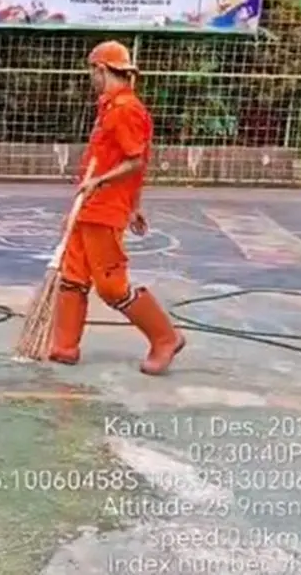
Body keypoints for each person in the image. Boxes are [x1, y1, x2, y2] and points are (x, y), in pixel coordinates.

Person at [49, 40, 185, 376]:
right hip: (91, 206)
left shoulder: (126, 109)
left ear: (101, 69)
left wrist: (101, 184)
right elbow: (132, 158)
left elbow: (135, 160)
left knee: (111, 286)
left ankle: (165, 337)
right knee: (73, 276)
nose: (91, 78)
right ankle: (64, 346)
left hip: (104, 208)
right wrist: (132, 203)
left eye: (92, 72)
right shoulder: (110, 107)